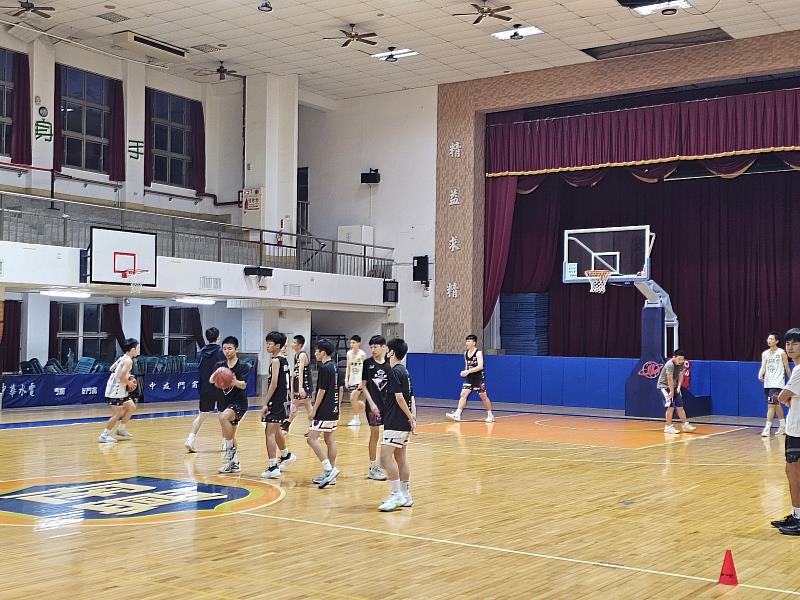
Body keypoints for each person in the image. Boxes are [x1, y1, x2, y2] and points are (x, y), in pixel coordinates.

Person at [378, 338, 416, 512]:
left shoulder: (394, 371)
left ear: (392, 352)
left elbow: (400, 397)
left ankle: (396, 495)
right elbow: (412, 398)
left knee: (385, 458)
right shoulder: (405, 371)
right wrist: (412, 417)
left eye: (387, 349)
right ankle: (406, 495)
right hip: (403, 421)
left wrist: (410, 418)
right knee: (400, 458)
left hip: (396, 421)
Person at [771, 329, 800, 535]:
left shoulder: (799, 371)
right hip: (794, 426)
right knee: (792, 473)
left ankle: (799, 518)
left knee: (794, 474)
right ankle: (796, 513)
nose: (790, 347)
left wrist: (783, 396)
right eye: (788, 343)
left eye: (795, 343)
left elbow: (782, 397)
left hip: (797, 430)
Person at [260, 331, 297, 478]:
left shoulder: (276, 361)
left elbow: (274, 384)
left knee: (269, 432)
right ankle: (285, 454)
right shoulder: (285, 360)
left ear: (277, 345)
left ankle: (272, 466)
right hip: (284, 400)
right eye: (267, 343)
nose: (267, 346)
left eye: (270, 344)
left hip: (276, 400)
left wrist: (265, 403)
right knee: (276, 430)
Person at [185, 327, 225, 452]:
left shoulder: (201, 352)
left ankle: (190, 439)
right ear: (218, 337)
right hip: (219, 387)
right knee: (223, 416)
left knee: (202, 415)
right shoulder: (221, 352)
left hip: (204, 388)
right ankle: (225, 443)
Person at [308, 338, 340, 488]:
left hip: (324, 410)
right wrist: (337, 406)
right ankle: (331, 474)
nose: (315, 353)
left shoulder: (324, 368)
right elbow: (340, 389)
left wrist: (314, 409)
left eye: (316, 350)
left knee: (311, 439)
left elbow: (322, 390)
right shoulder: (335, 367)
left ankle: (328, 469)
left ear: (323, 352)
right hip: (333, 409)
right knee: (329, 438)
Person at [215, 336, 250, 474]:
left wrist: (233, 381)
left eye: (230, 348)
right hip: (225, 402)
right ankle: (234, 464)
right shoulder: (219, 365)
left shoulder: (243, 366)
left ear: (236, 349)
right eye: (224, 348)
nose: (227, 351)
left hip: (239, 402)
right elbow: (213, 380)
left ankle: (229, 452)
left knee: (223, 418)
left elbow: (243, 385)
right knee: (231, 434)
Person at [98, 338, 140, 443]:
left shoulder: (122, 358)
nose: (138, 350)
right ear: (133, 349)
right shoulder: (128, 360)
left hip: (120, 389)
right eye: (137, 348)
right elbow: (121, 377)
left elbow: (111, 369)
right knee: (118, 413)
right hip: (115, 391)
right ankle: (104, 435)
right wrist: (129, 382)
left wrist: (127, 376)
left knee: (131, 407)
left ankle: (121, 429)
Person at [446, 334, 494, 423]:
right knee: (463, 394)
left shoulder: (478, 353)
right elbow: (467, 365)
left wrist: (468, 371)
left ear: (474, 343)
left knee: (483, 396)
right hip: (469, 378)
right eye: (466, 341)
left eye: (469, 341)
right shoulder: (465, 353)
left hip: (478, 377)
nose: (467, 343)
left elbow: (480, 366)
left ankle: (490, 414)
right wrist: (465, 372)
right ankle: (458, 414)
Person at [360, 335, 389, 481]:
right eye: (371, 347)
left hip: (388, 406)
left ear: (383, 347)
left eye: (375, 347)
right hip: (373, 405)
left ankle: (386, 462)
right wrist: (371, 403)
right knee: (375, 434)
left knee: (390, 435)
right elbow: (363, 386)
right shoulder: (367, 364)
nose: (373, 349)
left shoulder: (389, 364)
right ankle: (372, 466)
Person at [759, 331, 790, 437]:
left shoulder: (781, 352)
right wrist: (760, 374)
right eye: (768, 339)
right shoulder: (765, 353)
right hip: (768, 383)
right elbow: (763, 366)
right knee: (776, 405)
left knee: (771, 405)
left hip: (777, 383)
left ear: (776, 341)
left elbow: (786, 367)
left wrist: (791, 380)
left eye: (771, 339)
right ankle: (783, 426)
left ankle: (767, 428)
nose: (769, 341)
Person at [657, 349, 696, 434]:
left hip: (674, 386)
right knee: (670, 406)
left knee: (680, 406)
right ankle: (668, 427)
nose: (681, 361)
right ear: (674, 357)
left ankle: (685, 425)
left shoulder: (681, 363)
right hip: (664, 386)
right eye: (679, 359)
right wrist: (671, 391)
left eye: (682, 359)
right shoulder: (669, 364)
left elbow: (681, 375)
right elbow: (669, 379)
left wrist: (678, 387)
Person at [282, 334, 313, 434]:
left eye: (294, 342)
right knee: (294, 405)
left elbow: (301, 372)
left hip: (304, 384)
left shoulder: (302, 355)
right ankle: (287, 425)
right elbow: (294, 373)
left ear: (299, 345)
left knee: (308, 406)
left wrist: (300, 387)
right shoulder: (296, 355)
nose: (292, 344)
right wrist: (292, 387)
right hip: (297, 383)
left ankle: (313, 427)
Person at [346, 335, 367, 427]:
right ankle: (362, 405)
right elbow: (348, 366)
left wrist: (362, 382)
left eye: (354, 342)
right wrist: (346, 379)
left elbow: (365, 369)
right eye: (351, 342)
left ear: (358, 343)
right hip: (352, 379)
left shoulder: (362, 354)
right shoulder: (349, 353)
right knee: (353, 400)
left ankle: (356, 418)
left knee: (352, 398)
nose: (352, 344)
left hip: (359, 380)